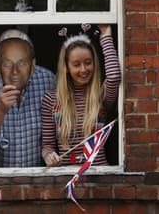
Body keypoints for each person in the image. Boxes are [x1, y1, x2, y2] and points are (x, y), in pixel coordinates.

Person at [0, 28, 55, 167]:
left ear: (33, 65)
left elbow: (59, 135)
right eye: (7, 63)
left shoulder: (49, 81)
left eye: (22, 63)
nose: (15, 71)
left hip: (39, 177)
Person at [41, 24, 120, 167]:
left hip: (100, 175)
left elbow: (114, 76)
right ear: (66, 67)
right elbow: (47, 145)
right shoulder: (51, 99)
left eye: (88, 63)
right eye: (76, 64)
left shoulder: (100, 95)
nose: (84, 69)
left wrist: (106, 37)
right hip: (67, 176)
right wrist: (49, 156)